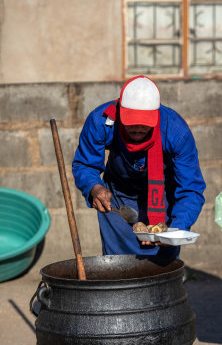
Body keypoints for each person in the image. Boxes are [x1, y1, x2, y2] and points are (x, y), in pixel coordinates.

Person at [73, 76, 206, 262]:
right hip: (118, 198)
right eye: (131, 122)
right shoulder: (101, 120)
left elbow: (191, 189)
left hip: (162, 195)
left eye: (145, 123)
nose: (137, 128)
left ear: (156, 117)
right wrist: (94, 188)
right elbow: (85, 165)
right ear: (120, 113)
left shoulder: (176, 131)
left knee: (162, 266)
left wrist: (176, 229)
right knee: (118, 266)